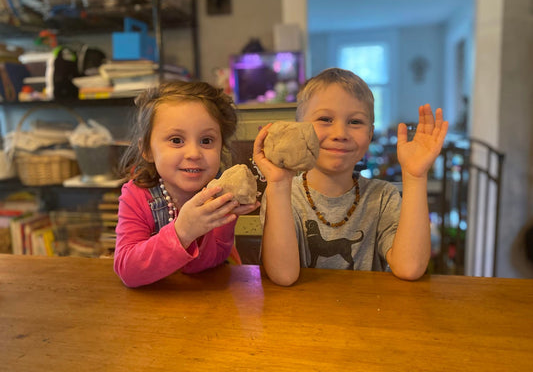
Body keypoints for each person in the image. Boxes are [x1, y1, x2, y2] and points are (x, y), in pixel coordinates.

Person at [253, 68, 448, 286]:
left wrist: (415, 176)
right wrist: (278, 185)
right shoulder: (284, 195)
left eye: (355, 122)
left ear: (370, 135)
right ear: (299, 129)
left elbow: (410, 267)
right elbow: (283, 276)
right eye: (325, 119)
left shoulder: (383, 197)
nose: (340, 134)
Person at [114, 81, 259, 287]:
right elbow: (128, 271)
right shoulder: (135, 197)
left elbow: (213, 262)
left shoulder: (219, 194)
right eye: (176, 140)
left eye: (206, 141)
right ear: (147, 149)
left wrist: (223, 216)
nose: (194, 154)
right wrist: (182, 232)